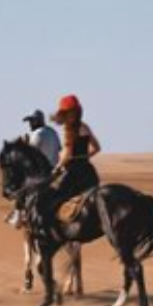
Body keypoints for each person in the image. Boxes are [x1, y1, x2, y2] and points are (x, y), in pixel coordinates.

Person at [43, 94, 101, 222]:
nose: (71, 114)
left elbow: (67, 154)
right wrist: (84, 156)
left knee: (51, 197)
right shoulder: (85, 127)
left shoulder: (68, 130)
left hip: (72, 172)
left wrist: (57, 167)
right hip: (88, 171)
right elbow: (97, 148)